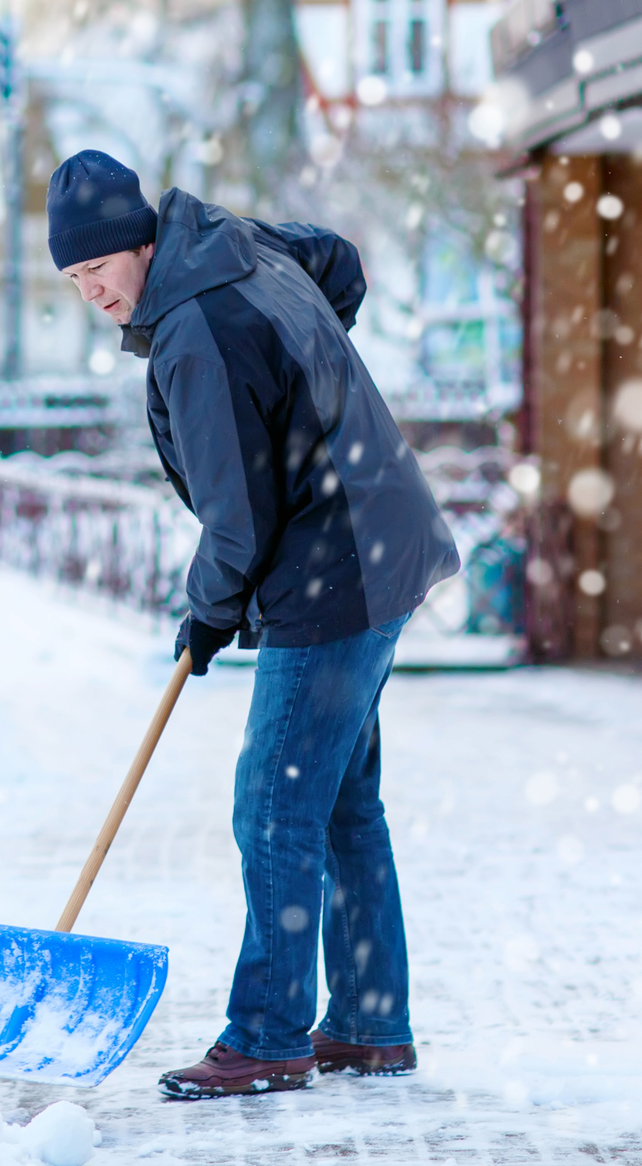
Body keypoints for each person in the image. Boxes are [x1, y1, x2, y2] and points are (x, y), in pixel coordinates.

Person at [46, 149, 459, 1100]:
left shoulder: (192, 330)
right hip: (378, 538)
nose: (92, 292)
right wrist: (310, 390)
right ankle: (365, 1021)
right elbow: (339, 261)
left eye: (98, 267)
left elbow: (237, 518)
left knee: (272, 805)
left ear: (135, 242)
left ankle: (270, 1034)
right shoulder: (232, 246)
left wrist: (206, 613)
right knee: (341, 802)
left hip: (335, 568)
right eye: (73, 279)